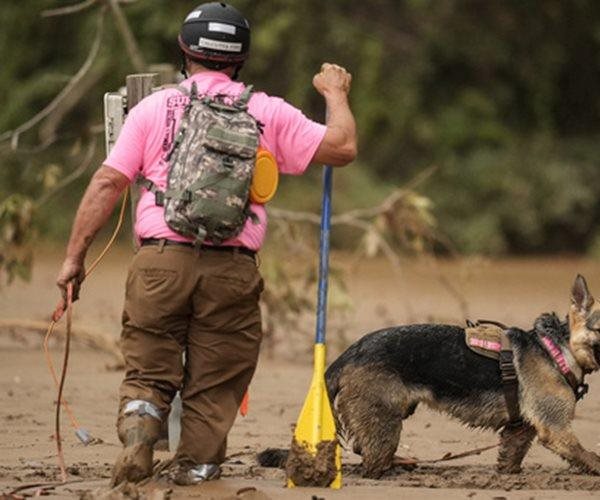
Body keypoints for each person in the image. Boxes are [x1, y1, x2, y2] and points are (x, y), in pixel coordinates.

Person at [56, 1, 356, 487]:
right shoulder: (266, 111)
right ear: (240, 59)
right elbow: (342, 148)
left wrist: (74, 258)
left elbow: (107, 183)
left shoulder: (155, 107)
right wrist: (335, 93)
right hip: (232, 269)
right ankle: (195, 468)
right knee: (215, 381)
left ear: (184, 51)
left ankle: (139, 435)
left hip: (159, 263)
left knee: (149, 365)